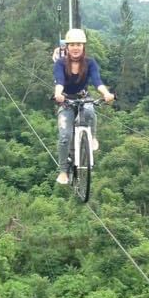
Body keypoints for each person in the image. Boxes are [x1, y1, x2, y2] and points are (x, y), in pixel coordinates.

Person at [53, 28, 114, 185]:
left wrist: (106, 94)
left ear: (83, 46)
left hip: (83, 98)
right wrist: (58, 94)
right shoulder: (60, 64)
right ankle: (63, 171)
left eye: (78, 44)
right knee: (65, 136)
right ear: (67, 47)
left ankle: (92, 137)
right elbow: (59, 82)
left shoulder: (90, 63)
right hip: (66, 101)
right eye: (72, 44)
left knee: (89, 110)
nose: (75, 48)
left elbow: (97, 81)